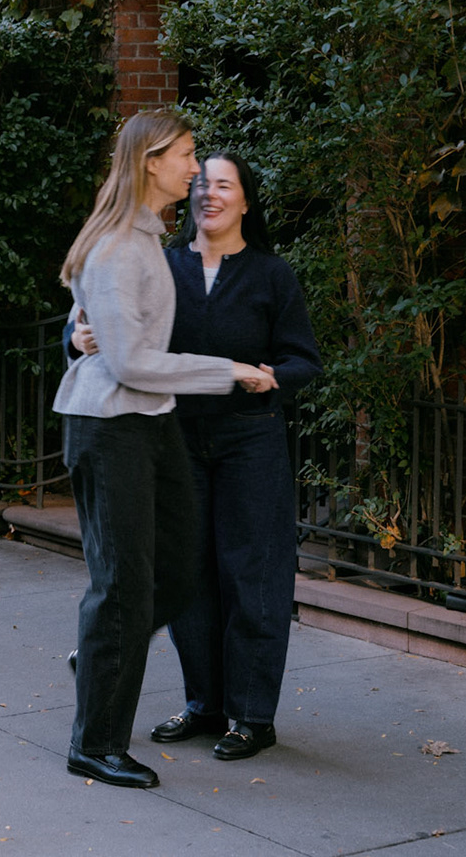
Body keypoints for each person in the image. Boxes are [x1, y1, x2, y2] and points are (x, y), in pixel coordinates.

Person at [54, 110, 278, 791]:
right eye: (184, 154)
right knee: (121, 587)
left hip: (151, 425)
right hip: (111, 425)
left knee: (177, 574)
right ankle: (94, 743)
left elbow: (100, 315)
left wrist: (81, 328)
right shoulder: (121, 243)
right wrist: (229, 370)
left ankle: (101, 653)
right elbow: (133, 363)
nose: (194, 165)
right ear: (150, 161)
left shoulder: (148, 239)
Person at [73, 152, 320, 763]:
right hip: (175, 434)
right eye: (202, 182)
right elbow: (111, 323)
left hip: (250, 438)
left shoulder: (270, 275)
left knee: (252, 574)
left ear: (245, 200)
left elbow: (304, 359)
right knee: (188, 574)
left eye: (224, 185)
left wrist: (272, 377)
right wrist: (76, 337)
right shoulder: (162, 264)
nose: (209, 193)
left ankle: (251, 715)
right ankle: (204, 703)